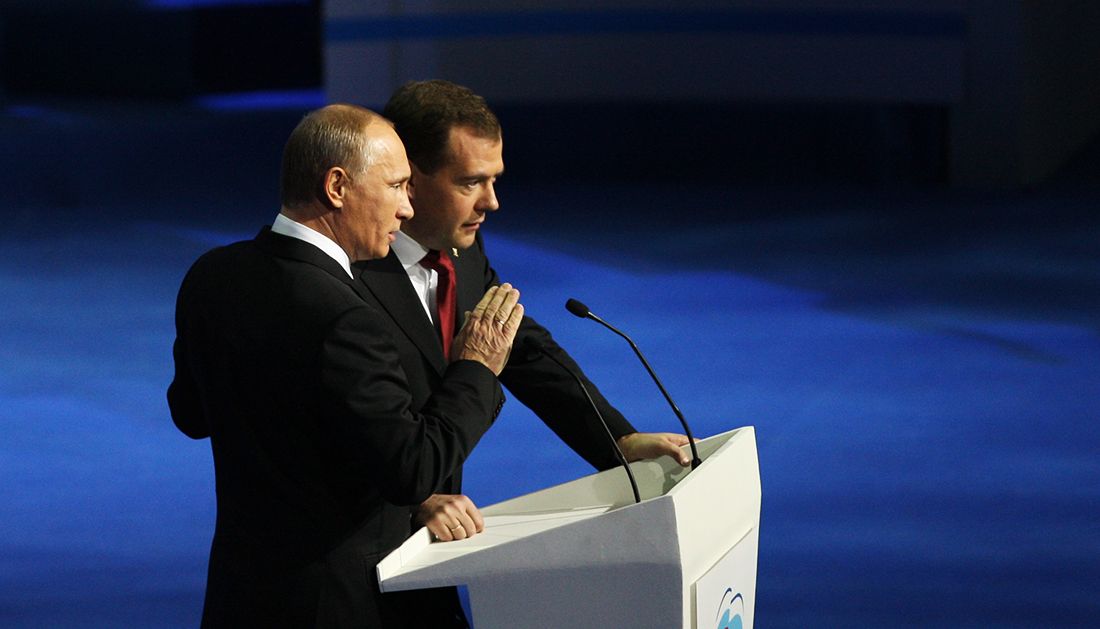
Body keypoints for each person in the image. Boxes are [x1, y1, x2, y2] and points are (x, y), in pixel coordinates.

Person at [168, 104, 524, 627]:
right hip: (338, 605)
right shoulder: (348, 318)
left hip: (242, 596)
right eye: (396, 186)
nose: (406, 209)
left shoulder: (212, 275)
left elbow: (192, 415)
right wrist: (476, 368)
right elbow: (413, 471)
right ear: (337, 187)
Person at [356, 80, 691, 546]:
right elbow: (325, 422)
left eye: (494, 180)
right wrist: (412, 501)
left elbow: (521, 349)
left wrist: (619, 440)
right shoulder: (347, 271)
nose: (491, 202)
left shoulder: (459, 248)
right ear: (408, 178)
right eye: (470, 182)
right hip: (357, 544)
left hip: (433, 537)